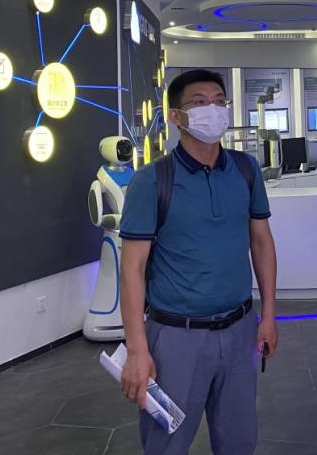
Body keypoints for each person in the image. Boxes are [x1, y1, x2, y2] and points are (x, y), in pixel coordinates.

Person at [118, 69, 278, 455]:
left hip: (239, 330)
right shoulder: (152, 180)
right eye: (200, 102)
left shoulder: (245, 169)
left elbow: (261, 242)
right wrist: (137, 349)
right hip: (176, 338)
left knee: (239, 440)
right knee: (167, 442)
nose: (213, 110)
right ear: (176, 116)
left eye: (220, 101)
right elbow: (132, 269)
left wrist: (269, 315)